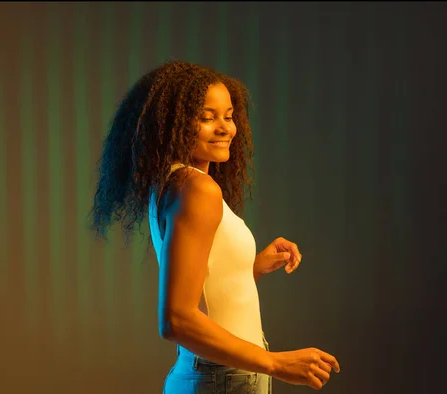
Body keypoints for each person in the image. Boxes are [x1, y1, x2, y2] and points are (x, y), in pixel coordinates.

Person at [90, 60, 340, 393]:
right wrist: (277, 363)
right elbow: (176, 319)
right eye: (207, 118)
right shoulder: (198, 189)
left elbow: (202, 294)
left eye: (229, 115)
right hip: (224, 379)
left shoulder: (171, 183)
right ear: (172, 123)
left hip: (212, 376)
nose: (225, 128)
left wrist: (249, 269)